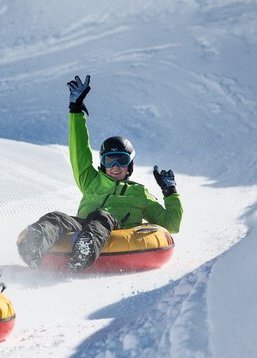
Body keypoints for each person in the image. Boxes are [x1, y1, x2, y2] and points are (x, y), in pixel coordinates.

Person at [17, 75, 183, 271]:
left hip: (116, 230)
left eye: (121, 160)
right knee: (56, 217)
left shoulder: (139, 193)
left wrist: (170, 192)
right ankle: (34, 250)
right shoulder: (91, 180)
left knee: (101, 216)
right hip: (83, 227)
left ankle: (84, 252)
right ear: (102, 164)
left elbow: (171, 224)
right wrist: (76, 111)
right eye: (108, 161)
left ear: (130, 165)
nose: (114, 166)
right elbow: (79, 152)